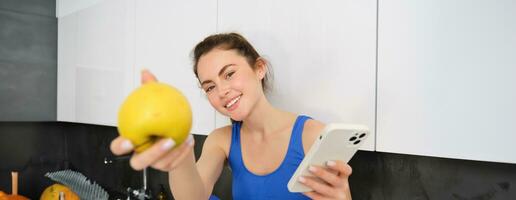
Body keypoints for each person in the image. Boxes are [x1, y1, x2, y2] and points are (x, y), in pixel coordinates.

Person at [110, 33, 353, 200]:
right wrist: (180, 157)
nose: (222, 91)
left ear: (259, 68)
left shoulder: (312, 135)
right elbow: (193, 196)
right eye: (210, 87)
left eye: (229, 74)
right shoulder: (222, 141)